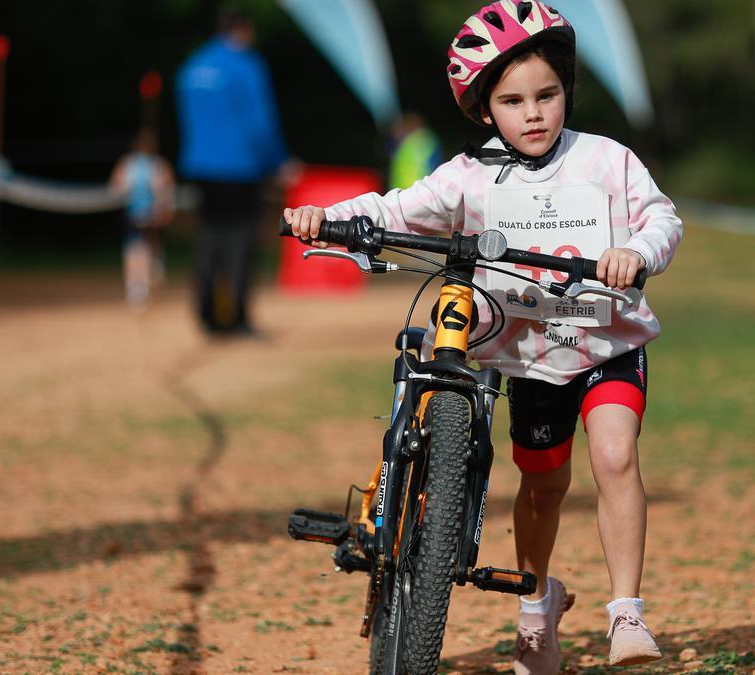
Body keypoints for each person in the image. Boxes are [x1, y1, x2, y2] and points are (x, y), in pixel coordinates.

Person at [285, 2, 682, 670]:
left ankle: (626, 614)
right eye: (513, 100)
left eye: (547, 95)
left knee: (614, 454)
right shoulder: (469, 176)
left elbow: (661, 217)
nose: (534, 113)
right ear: (484, 108)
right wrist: (324, 217)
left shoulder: (607, 160)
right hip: (531, 354)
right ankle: (536, 607)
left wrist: (638, 253)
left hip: (607, 342)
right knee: (544, 485)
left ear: (567, 94)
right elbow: (395, 208)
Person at [175, 7, 299, 336]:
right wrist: (277, 162)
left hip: (201, 166)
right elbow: (260, 122)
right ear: (242, 30)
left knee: (207, 238)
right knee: (241, 242)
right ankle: (238, 318)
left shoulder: (192, 66)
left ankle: (207, 315)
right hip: (241, 167)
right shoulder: (246, 65)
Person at [109, 127, 175, 309]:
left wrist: (164, 204)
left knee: (150, 248)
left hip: (152, 214)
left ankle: (154, 272)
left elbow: (168, 191)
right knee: (135, 249)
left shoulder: (159, 165)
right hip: (133, 214)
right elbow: (115, 186)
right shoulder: (128, 164)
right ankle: (137, 287)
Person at [388, 111, 443, 190]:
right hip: (408, 193)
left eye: (400, 127)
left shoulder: (425, 142)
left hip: (420, 193)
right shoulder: (403, 146)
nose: (396, 132)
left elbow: (436, 168)